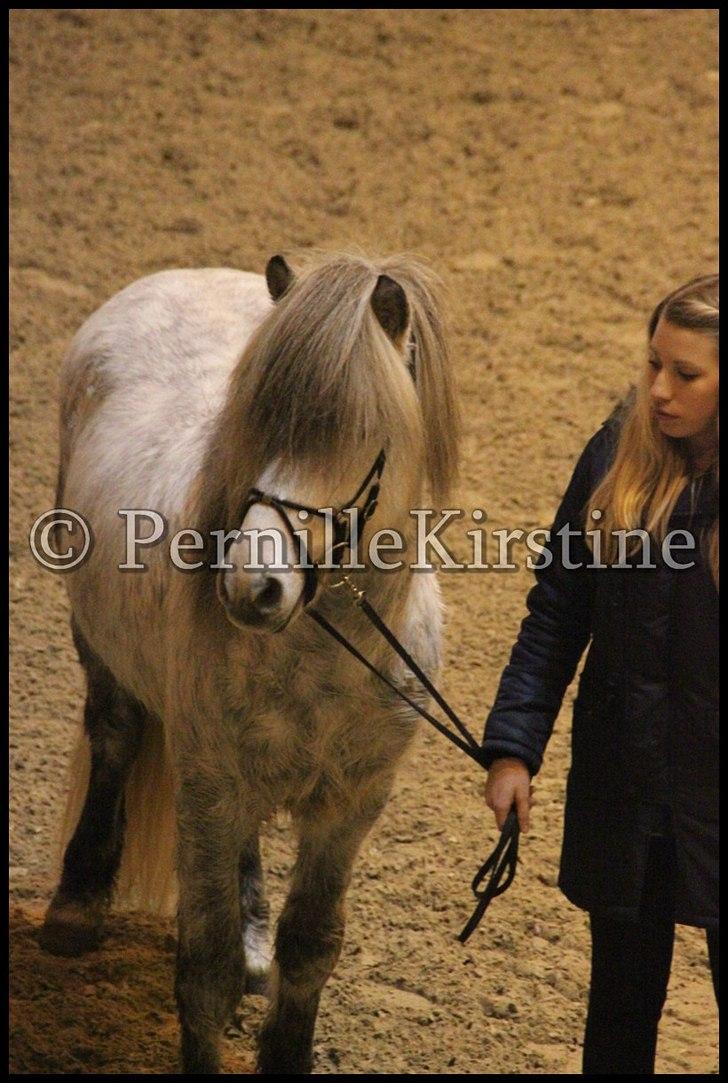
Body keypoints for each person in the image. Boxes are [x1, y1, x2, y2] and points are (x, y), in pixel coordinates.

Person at [481, 274, 719, 1075]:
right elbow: (558, 610)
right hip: (629, 782)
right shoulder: (615, 453)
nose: (658, 389)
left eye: (686, 375)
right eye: (653, 363)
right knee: (619, 1011)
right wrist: (514, 746)